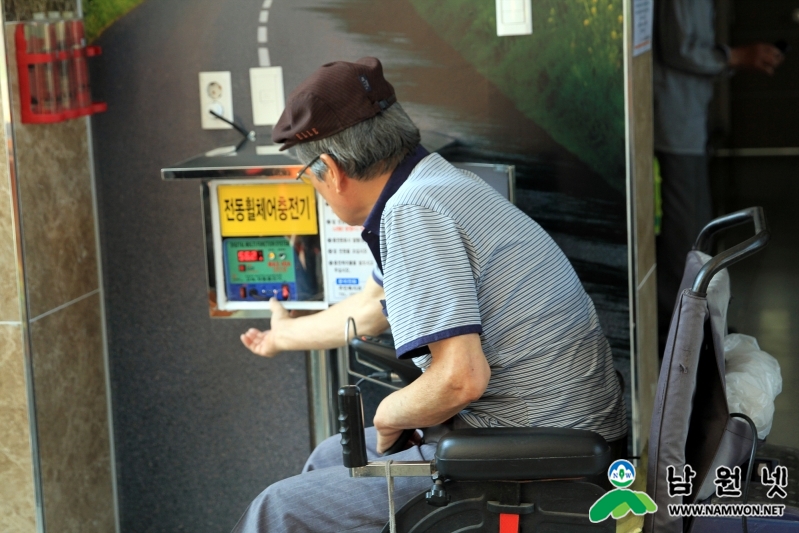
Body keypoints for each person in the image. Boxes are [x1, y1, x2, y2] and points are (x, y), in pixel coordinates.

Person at [233, 57, 627, 533]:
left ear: (331, 171)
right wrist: (283, 336)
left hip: (533, 458)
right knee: (326, 457)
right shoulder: (434, 182)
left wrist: (389, 411)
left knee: (278, 509)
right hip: (562, 432)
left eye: (308, 177)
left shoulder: (412, 213)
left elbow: (461, 379)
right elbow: (370, 309)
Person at [654, 0, 783, 350]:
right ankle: (681, 333)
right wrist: (738, 56)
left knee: (694, 226)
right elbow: (680, 49)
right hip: (675, 122)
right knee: (686, 230)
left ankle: (695, 327)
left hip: (690, 119)